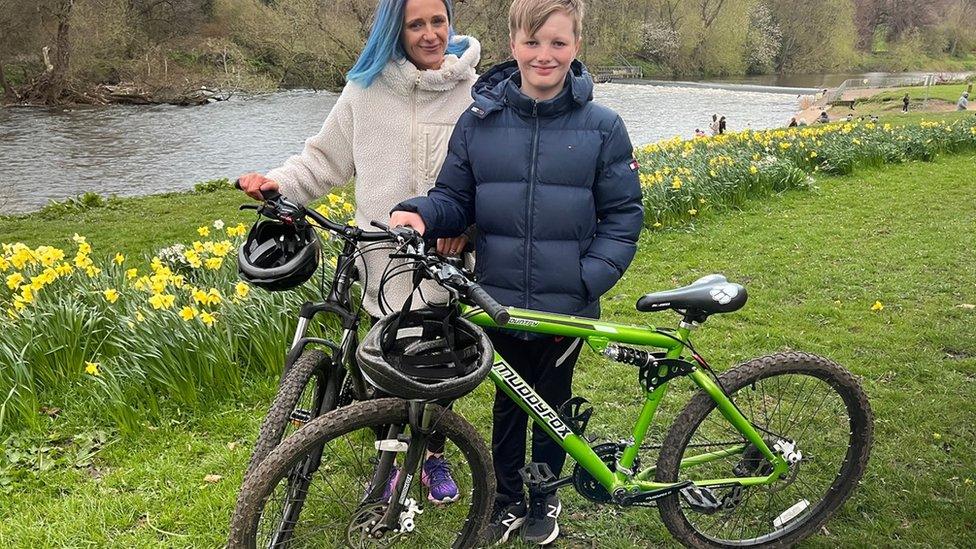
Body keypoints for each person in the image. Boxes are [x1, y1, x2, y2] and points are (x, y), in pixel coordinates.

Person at [389, 0, 643, 544]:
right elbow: (454, 199)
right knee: (510, 405)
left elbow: (623, 215)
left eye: (557, 43)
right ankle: (506, 499)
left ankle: (543, 498)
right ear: (513, 46)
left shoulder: (603, 127)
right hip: (497, 297)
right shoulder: (479, 121)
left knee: (553, 410)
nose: (543, 55)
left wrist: (588, 278)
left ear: (576, 47)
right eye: (532, 43)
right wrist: (421, 212)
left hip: (565, 306)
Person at [236, 0, 482, 505]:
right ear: (396, 29)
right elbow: (322, 160)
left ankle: (432, 455)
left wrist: (468, 228)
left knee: (432, 368)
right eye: (416, 24)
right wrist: (276, 184)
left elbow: (490, 177)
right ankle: (389, 457)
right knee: (376, 370)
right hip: (379, 259)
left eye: (438, 21)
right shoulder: (365, 90)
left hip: (439, 259)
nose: (431, 34)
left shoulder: (473, 93)